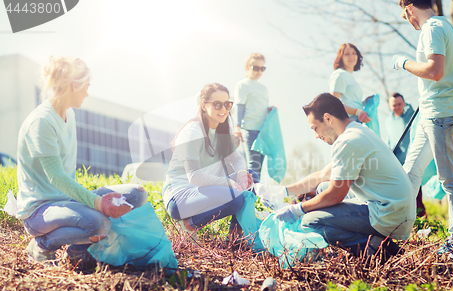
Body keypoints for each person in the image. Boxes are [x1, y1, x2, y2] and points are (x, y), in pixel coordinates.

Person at [17, 56, 148, 265]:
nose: (88, 92)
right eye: (86, 86)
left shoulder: (69, 114)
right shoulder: (41, 122)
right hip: (40, 212)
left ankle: (78, 251)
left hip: (67, 202)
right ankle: (41, 244)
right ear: (74, 85)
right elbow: (57, 177)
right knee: (99, 225)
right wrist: (98, 203)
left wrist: (97, 202)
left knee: (136, 194)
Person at [266, 93, 415, 258]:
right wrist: (283, 191)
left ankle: (378, 250)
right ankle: (374, 242)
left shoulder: (347, 141)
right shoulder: (357, 131)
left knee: (310, 221)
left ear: (328, 118)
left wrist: (297, 209)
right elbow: (322, 176)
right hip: (396, 208)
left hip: (390, 213)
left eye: (315, 128)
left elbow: (335, 195)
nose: (316, 135)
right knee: (322, 187)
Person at [392, 0, 453, 254]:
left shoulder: (433, 28)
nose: (407, 20)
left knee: (450, 179)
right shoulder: (446, 26)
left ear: (410, 9)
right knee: (410, 172)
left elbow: (435, 71)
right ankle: (395, 229)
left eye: (404, 16)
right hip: (431, 113)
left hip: (441, 113)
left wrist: (403, 62)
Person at [163, 83, 256, 238]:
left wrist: (240, 174)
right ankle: (189, 223)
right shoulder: (192, 131)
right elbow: (194, 176)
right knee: (237, 198)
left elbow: (237, 159)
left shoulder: (222, 133)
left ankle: (235, 237)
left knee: (250, 177)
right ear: (204, 106)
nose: (224, 109)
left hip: (203, 190)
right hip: (179, 197)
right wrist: (229, 183)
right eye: (217, 104)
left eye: (227, 104)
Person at [233, 53, 274, 178]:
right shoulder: (242, 85)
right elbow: (240, 107)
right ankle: (250, 195)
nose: (259, 71)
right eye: (255, 68)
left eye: (262, 68)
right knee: (253, 165)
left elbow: (260, 108)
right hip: (250, 130)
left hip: (263, 132)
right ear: (247, 67)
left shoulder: (263, 88)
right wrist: (237, 127)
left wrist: (269, 110)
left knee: (259, 167)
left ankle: (255, 195)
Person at [385, 93, 426, 217]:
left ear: (404, 103)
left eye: (399, 104)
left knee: (415, 189)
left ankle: (421, 217)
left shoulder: (410, 114)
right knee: (401, 191)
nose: (397, 107)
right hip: (397, 162)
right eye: (394, 105)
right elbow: (390, 140)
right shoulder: (389, 121)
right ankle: (404, 217)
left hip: (412, 157)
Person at [329, 43, 372, 123]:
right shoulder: (340, 75)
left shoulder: (349, 76)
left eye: (354, 53)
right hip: (347, 123)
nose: (351, 56)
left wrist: (364, 102)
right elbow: (333, 104)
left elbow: (349, 101)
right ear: (341, 58)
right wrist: (358, 112)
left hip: (355, 121)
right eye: (347, 54)